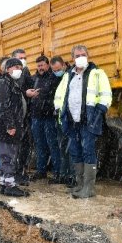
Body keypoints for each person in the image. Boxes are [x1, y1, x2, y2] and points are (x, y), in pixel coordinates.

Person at [54, 45, 112, 199]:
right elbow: (60, 95)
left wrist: (99, 111)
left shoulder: (97, 73)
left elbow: (106, 94)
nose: (80, 57)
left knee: (88, 151)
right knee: (75, 152)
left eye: (83, 54)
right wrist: (59, 110)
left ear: (88, 55)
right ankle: (79, 184)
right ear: (72, 58)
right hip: (72, 121)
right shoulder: (68, 75)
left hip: (88, 120)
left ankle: (89, 188)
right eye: (77, 55)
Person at [0, 58, 29, 197]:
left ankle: (3, 183)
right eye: (15, 67)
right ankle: (10, 185)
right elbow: (3, 106)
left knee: (6, 156)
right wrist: (10, 125)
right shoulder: (3, 83)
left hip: (9, 126)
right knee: (9, 156)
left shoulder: (11, 82)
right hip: (6, 127)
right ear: (8, 69)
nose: (18, 69)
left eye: (20, 67)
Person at [29, 55, 61, 181]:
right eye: (38, 65)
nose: (40, 68)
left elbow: (56, 96)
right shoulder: (34, 78)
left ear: (47, 65)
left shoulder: (54, 78)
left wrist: (44, 97)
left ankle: (57, 172)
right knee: (39, 145)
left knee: (52, 144)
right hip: (36, 117)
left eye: (42, 65)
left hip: (49, 117)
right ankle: (41, 170)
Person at [11, 48, 36, 185]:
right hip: (14, 116)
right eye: (20, 58)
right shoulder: (9, 75)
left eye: (25, 57)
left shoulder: (25, 72)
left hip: (25, 115)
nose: (23, 60)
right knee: (14, 147)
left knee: (25, 145)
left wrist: (31, 92)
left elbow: (30, 86)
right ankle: (12, 173)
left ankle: (21, 171)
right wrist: (24, 93)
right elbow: (12, 92)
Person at [49, 55, 71, 185]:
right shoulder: (59, 78)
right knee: (62, 148)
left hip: (67, 118)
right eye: (54, 70)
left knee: (69, 148)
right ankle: (63, 175)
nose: (56, 71)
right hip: (59, 118)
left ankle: (70, 176)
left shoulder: (70, 76)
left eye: (58, 69)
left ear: (63, 65)